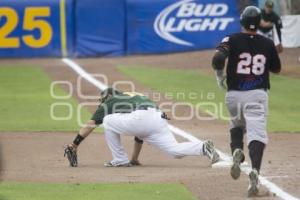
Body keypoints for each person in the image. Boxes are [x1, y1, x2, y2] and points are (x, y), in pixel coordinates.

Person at [211, 6, 281, 197]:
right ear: (259, 23)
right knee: (256, 134)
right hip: (257, 95)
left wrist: (219, 77)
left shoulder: (231, 39)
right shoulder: (267, 43)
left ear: (242, 21)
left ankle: (237, 151)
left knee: (236, 123)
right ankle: (255, 172)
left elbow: (218, 58)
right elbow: (277, 69)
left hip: (234, 95)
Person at [64, 88, 220, 167]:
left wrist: (74, 144)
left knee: (107, 120)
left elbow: (90, 125)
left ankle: (119, 159)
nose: (102, 102)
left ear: (108, 96)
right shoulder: (131, 97)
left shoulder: (111, 101)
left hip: (143, 118)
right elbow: (140, 134)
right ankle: (203, 147)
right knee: (174, 150)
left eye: (103, 99)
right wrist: (134, 159)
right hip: (157, 118)